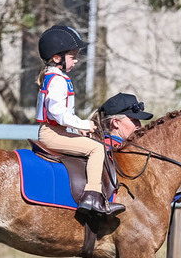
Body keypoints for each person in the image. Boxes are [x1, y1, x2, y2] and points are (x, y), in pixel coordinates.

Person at [19, 92, 173, 258]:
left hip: (125, 235)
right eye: (133, 121)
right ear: (115, 123)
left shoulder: (123, 151)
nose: (139, 127)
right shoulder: (108, 150)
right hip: (112, 235)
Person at [35, 25, 125, 217]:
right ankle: (92, 196)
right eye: (72, 56)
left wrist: (77, 129)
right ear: (57, 58)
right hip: (52, 134)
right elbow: (57, 114)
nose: (76, 61)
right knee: (97, 148)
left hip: (57, 131)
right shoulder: (57, 80)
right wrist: (84, 124)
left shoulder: (57, 77)